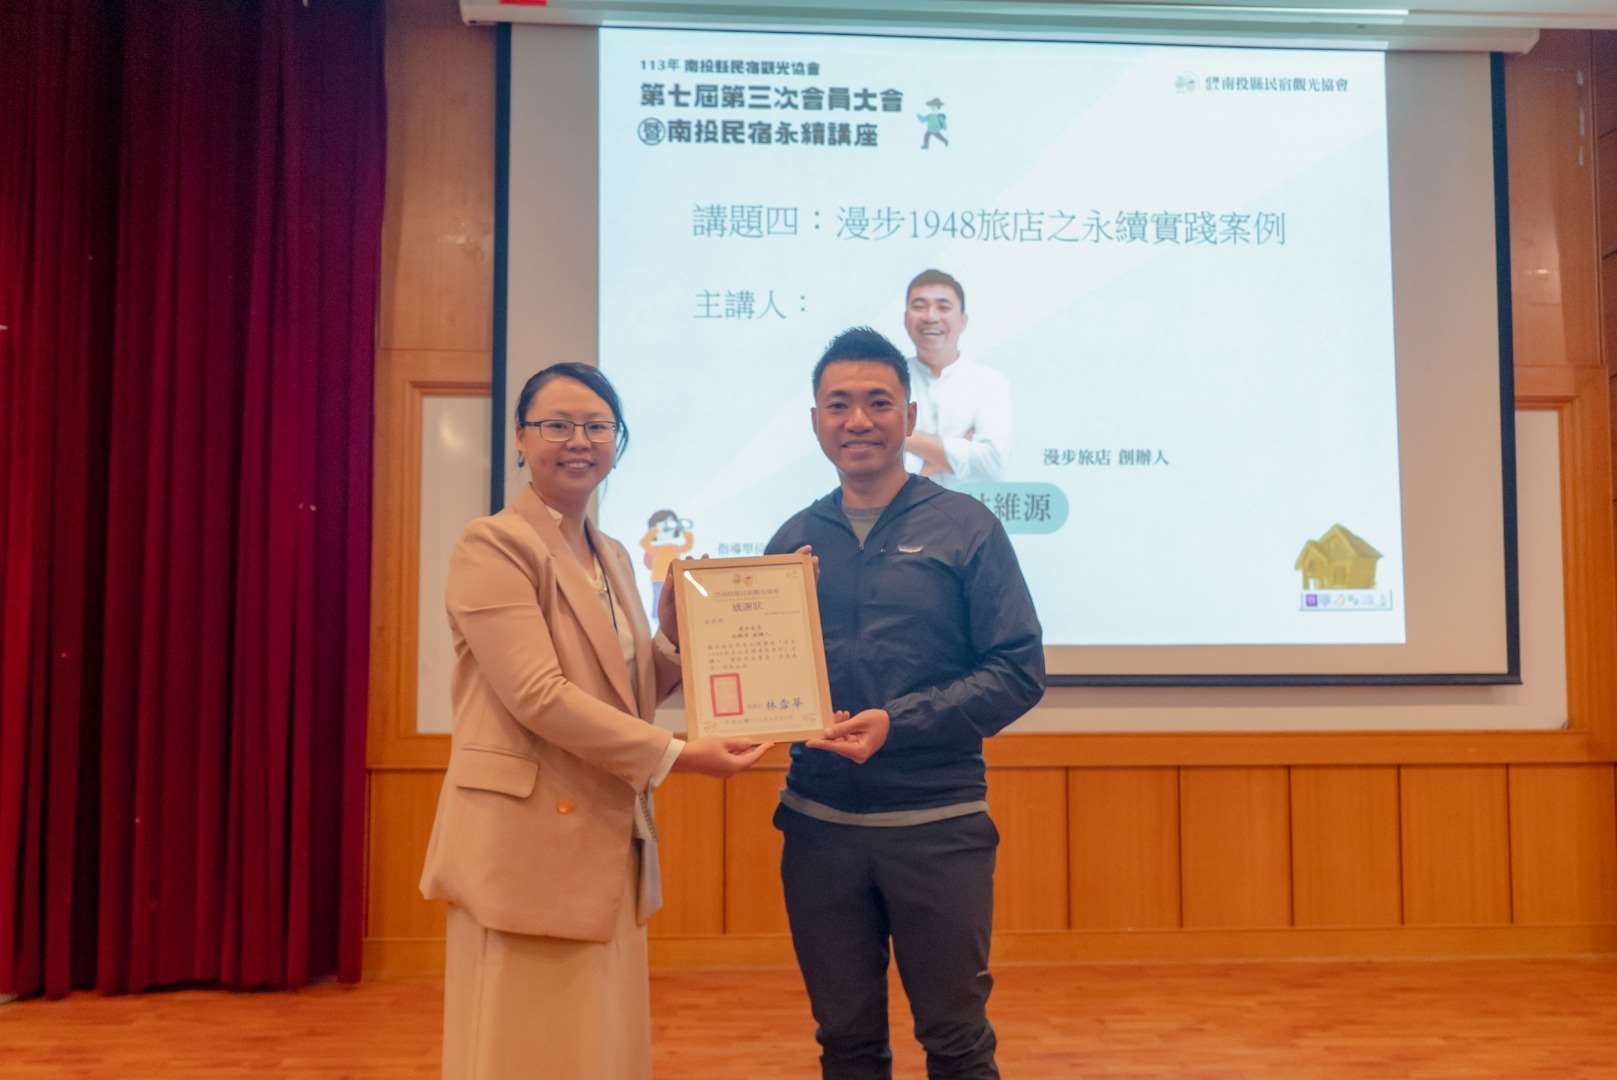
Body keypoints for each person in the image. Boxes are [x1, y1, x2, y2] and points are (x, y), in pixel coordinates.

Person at [419, 363, 774, 1079]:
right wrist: (678, 755)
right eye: (557, 425)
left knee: (596, 1042)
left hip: (606, 831)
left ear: (617, 440)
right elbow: (538, 695)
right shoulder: (493, 544)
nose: (578, 441)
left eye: (596, 426)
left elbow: (625, 693)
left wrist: (673, 637)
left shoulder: (610, 554)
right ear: (521, 438)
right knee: (524, 1047)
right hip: (526, 838)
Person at [766, 327, 1046, 1079]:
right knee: (845, 1044)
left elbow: (1018, 670)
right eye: (838, 405)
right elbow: (761, 679)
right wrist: (686, 621)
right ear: (815, 420)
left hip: (937, 828)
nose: (857, 420)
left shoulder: (966, 527)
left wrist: (899, 724)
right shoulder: (792, 541)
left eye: (878, 402)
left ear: (910, 414)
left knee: (956, 1041)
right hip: (818, 829)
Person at [900, 269, 1013, 488]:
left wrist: (907, 439)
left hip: (972, 508)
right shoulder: (886, 380)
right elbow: (878, 469)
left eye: (943, 307)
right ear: (906, 319)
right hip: (901, 510)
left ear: (963, 321)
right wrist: (959, 450)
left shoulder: (990, 383)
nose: (931, 317)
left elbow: (993, 463)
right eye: (919, 306)